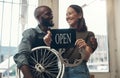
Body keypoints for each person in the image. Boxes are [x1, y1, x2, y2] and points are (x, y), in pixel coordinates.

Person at [13, 5, 53, 78]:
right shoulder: (31, 33)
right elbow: (21, 56)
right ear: (38, 17)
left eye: (51, 14)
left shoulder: (54, 34)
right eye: (48, 14)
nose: (51, 16)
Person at [63, 4, 98, 78]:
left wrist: (84, 47)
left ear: (80, 15)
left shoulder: (89, 34)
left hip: (79, 70)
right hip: (62, 70)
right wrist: (49, 43)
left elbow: (86, 57)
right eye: (66, 14)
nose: (67, 17)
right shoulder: (63, 34)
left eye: (70, 13)